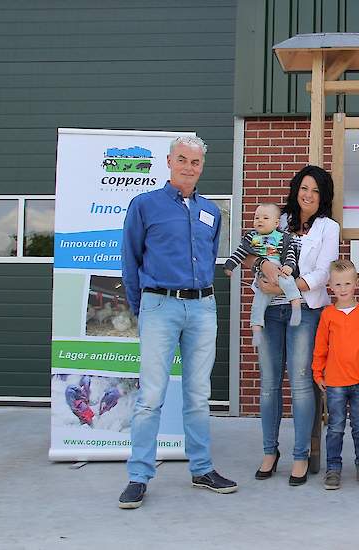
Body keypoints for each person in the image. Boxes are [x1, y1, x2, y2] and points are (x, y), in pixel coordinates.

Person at [118, 135, 236, 509]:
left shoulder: (211, 212)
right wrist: (143, 307)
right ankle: (138, 476)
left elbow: (209, 255)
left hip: (202, 309)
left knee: (198, 396)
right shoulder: (145, 206)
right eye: (182, 159)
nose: (189, 167)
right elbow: (130, 259)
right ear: (169, 161)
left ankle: (201, 469)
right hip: (159, 306)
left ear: (202, 166)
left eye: (196, 162)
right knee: (151, 397)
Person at [253, 165, 340, 486]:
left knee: (301, 385)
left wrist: (287, 288)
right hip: (270, 311)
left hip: (305, 310)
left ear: (323, 197)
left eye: (316, 191)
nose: (309, 195)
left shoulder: (328, 228)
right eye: (305, 188)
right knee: (268, 383)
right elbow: (256, 249)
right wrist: (264, 268)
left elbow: (323, 274)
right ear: (295, 189)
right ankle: (269, 451)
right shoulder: (279, 219)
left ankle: (301, 455)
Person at [311, 259, 359, 490]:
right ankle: (333, 468)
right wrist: (317, 372)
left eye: (347, 283)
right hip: (335, 381)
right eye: (338, 284)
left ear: (356, 283)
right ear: (330, 285)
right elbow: (321, 346)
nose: (343, 289)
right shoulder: (328, 314)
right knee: (336, 427)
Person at [223, 202, 302, 347]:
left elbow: (290, 254)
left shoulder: (281, 237)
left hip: (280, 270)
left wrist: (289, 267)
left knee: (288, 281)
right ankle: (257, 330)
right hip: (263, 277)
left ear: (276, 223)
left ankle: (295, 305)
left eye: (265, 218)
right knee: (258, 304)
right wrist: (229, 266)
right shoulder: (251, 238)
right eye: (257, 217)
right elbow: (240, 253)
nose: (260, 221)